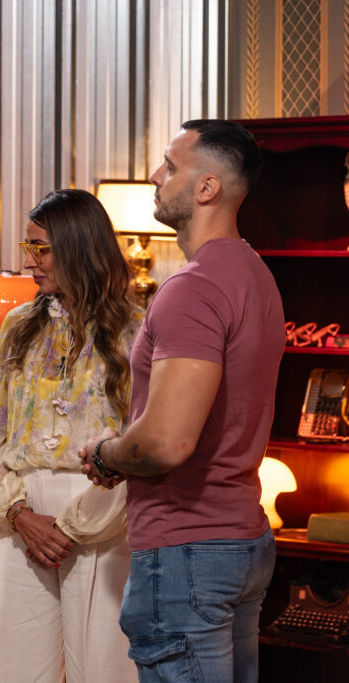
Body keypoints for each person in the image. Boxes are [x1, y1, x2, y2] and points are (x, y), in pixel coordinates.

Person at [79, 119, 284, 682]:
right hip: (241, 540)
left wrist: (106, 454)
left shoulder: (193, 289)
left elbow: (166, 443)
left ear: (206, 188)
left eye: (169, 166)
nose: (154, 175)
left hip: (187, 547)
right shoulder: (256, 275)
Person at [0, 188, 143, 682]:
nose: (28, 261)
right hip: (21, 518)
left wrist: (74, 525)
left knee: (103, 669)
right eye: (27, 247)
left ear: (79, 246)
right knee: (18, 671)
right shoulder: (17, 326)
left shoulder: (135, 330)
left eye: (41, 248)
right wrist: (17, 514)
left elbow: (140, 441)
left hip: (104, 518)